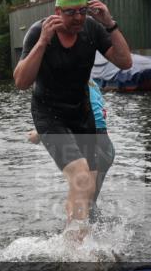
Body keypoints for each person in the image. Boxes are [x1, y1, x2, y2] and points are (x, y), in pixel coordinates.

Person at [14, 0, 132, 240]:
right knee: (80, 177)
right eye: (71, 12)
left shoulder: (92, 29)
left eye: (82, 10)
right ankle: (73, 252)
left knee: (86, 189)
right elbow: (21, 82)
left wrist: (109, 24)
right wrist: (43, 42)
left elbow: (125, 62)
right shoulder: (38, 31)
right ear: (58, 12)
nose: (78, 17)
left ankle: (72, 239)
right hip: (49, 114)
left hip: (82, 113)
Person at [28, 78, 114, 221]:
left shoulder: (67, 83)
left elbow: (65, 118)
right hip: (106, 146)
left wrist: (39, 134)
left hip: (90, 143)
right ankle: (101, 236)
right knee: (89, 203)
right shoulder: (92, 83)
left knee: (79, 204)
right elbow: (98, 113)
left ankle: (75, 241)